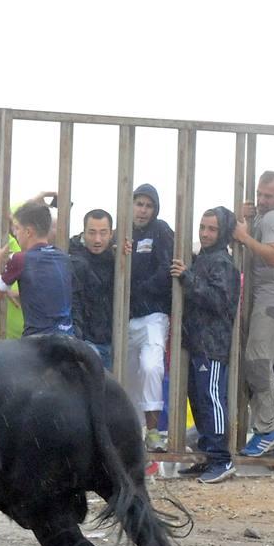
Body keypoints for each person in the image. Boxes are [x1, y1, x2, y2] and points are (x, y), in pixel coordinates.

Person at [170, 207, 241, 483]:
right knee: (199, 401)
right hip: (199, 343)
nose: (205, 233)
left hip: (213, 345)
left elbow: (220, 302)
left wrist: (188, 278)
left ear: (222, 231)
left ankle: (221, 459)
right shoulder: (205, 258)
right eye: (202, 227)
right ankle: (207, 456)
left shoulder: (221, 261)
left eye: (211, 228)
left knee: (212, 400)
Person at [234, 171, 274, 457]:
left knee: (257, 361)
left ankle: (268, 428)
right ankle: (270, 428)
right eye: (259, 194)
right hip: (265, 299)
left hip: (271, 300)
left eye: (268, 195)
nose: (262, 200)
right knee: (257, 362)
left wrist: (244, 237)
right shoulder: (265, 217)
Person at [124, 185, 175, 448]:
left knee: (151, 366)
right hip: (125, 317)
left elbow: (166, 269)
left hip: (154, 314)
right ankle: (134, 432)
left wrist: (137, 290)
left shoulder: (161, 231)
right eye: (139, 204)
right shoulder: (121, 232)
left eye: (148, 205)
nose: (143, 210)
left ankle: (154, 432)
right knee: (130, 375)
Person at [0, 201, 72, 336]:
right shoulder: (63, 258)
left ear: (28, 232)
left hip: (38, 341)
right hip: (67, 335)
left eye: (17, 228)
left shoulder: (20, 259)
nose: (15, 233)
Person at [69, 209, 117, 369]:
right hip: (84, 340)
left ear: (111, 234)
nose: (97, 239)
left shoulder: (118, 258)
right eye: (92, 233)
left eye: (103, 233)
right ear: (84, 232)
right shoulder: (72, 256)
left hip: (111, 340)